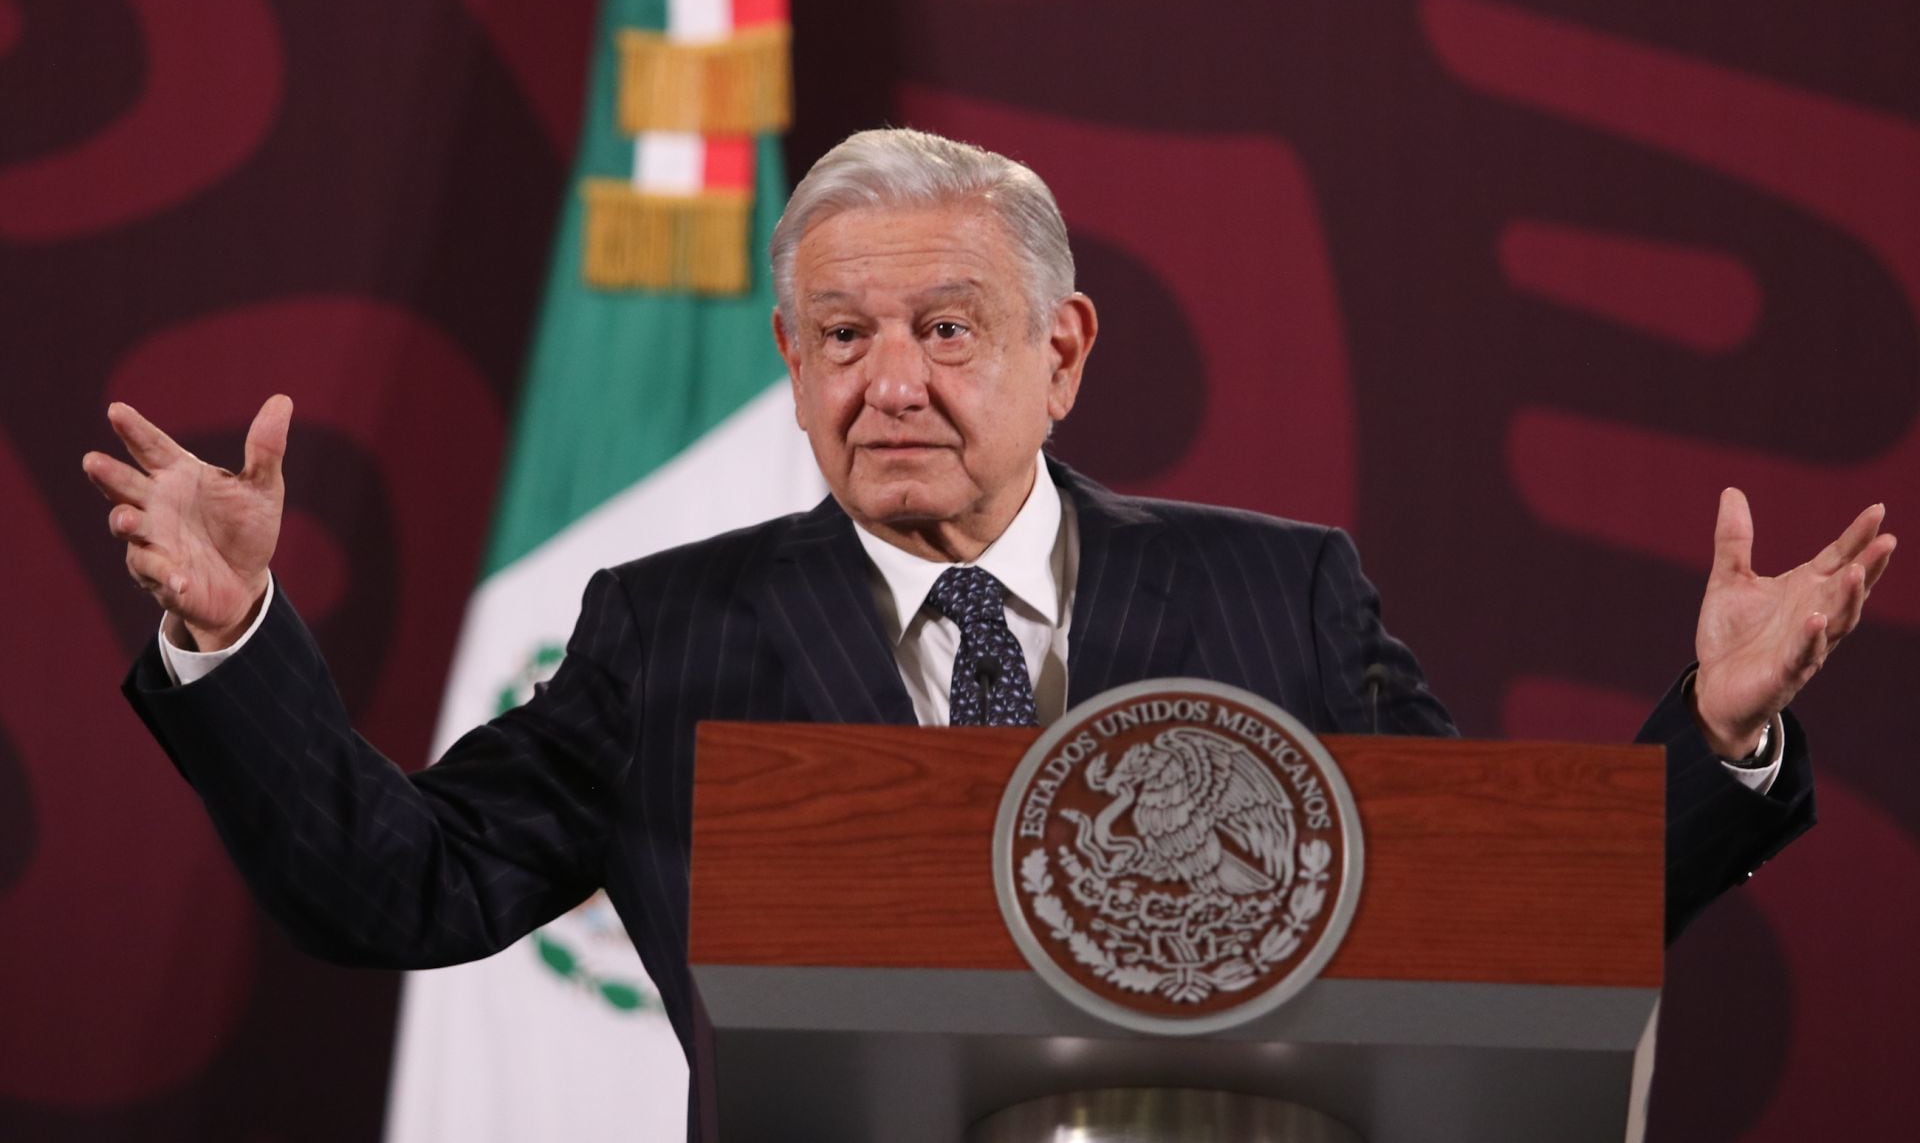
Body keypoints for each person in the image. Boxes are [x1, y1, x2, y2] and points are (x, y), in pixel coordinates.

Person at [85, 130, 1894, 1137]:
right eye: (843, 340)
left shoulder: (1282, 595)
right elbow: (396, 886)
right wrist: (239, 636)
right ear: (789, 369)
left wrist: (1716, 736)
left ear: (1066, 352)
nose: (892, 385)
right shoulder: (667, 629)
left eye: (948, 330)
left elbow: (1492, 919)